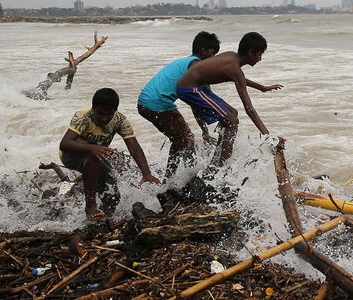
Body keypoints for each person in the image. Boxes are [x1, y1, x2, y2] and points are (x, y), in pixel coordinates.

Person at [175, 31, 283, 168]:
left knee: (232, 113)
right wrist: (269, 137)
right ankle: (220, 167)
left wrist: (262, 88)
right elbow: (249, 109)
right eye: (259, 54)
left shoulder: (232, 57)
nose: (260, 59)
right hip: (190, 89)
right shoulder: (234, 68)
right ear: (250, 52)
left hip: (198, 87)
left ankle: (216, 160)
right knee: (232, 121)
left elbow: (241, 79)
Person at [60, 87, 161, 220]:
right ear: (93, 108)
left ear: (115, 111)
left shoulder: (120, 120)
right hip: (71, 155)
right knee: (93, 157)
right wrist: (92, 148)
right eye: (100, 114)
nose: (104, 118)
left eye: (109, 115)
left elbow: (134, 147)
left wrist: (146, 173)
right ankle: (90, 207)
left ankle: (105, 219)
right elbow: (65, 144)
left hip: (98, 156)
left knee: (112, 193)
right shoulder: (83, 117)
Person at [137, 31, 220, 177]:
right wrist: (205, 132)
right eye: (212, 54)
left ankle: (178, 176)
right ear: (203, 51)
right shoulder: (195, 65)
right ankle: (177, 178)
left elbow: (196, 102)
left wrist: (205, 131)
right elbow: (197, 104)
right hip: (157, 103)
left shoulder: (186, 62)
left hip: (147, 102)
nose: (213, 59)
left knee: (182, 139)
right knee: (185, 139)